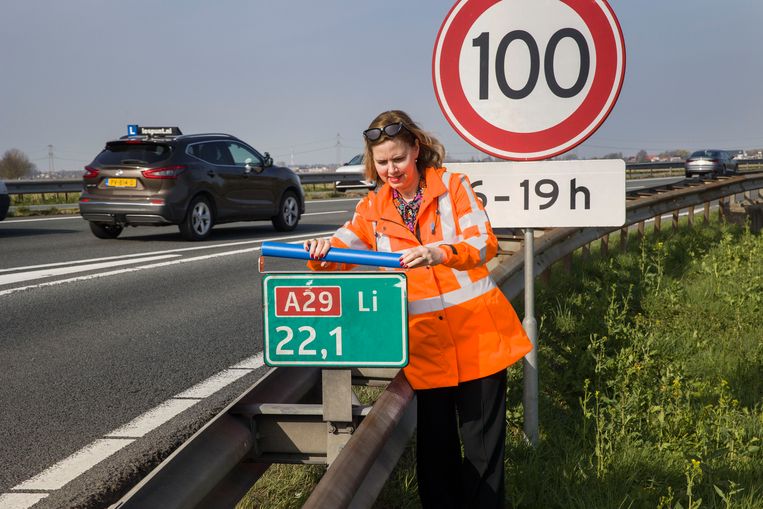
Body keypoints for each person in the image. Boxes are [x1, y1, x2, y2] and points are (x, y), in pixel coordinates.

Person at [304, 110, 532, 508]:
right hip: (428, 349)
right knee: (436, 457)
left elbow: (484, 243)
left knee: (483, 455)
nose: (391, 169)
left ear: (416, 150)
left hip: (480, 340)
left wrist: (439, 252)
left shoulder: (453, 186)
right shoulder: (371, 210)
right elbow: (342, 249)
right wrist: (323, 253)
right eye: (382, 162)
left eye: (398, 159)